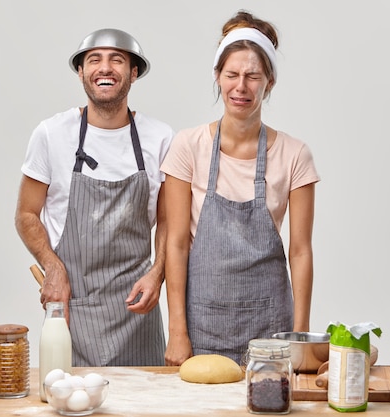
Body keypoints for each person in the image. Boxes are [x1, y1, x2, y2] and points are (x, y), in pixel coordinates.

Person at [162, 11, 320, 366]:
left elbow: (300, 251)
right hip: (203, 326)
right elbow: (176, 242)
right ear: (217, 77)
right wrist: (177, 332)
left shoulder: (295, 155)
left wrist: (301, 339)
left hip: (271, 327)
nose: (241, 87)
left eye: (253, 76)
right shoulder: (188, 146)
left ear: (270, 83)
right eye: (231, 75)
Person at [15, 28, 174, 366]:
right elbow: (26, 214)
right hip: (74, 310)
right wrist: (53, 266)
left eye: (117, 60)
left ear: (133, 73)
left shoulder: (159, 138)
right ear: (81, 72)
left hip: (137, 313)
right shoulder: (51, 134)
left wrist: (157, 273)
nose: (105, 68)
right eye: (94, 60)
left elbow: (169, 223)